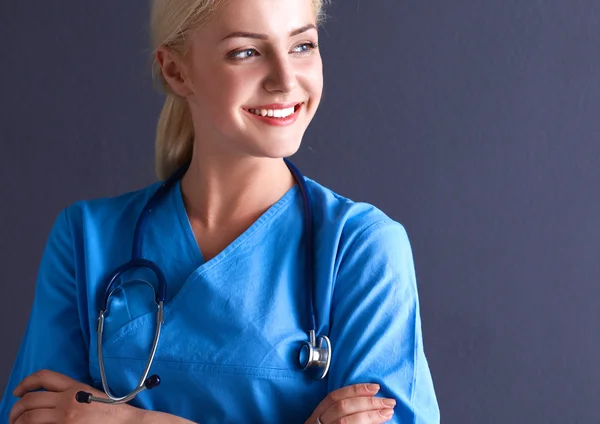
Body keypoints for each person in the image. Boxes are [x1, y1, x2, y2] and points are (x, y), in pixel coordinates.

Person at [0, 0, 440, 422]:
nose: (285, 80)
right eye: (246, 52)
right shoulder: (85, 240)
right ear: (176, 70)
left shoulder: (359, 247)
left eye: (302, 45)